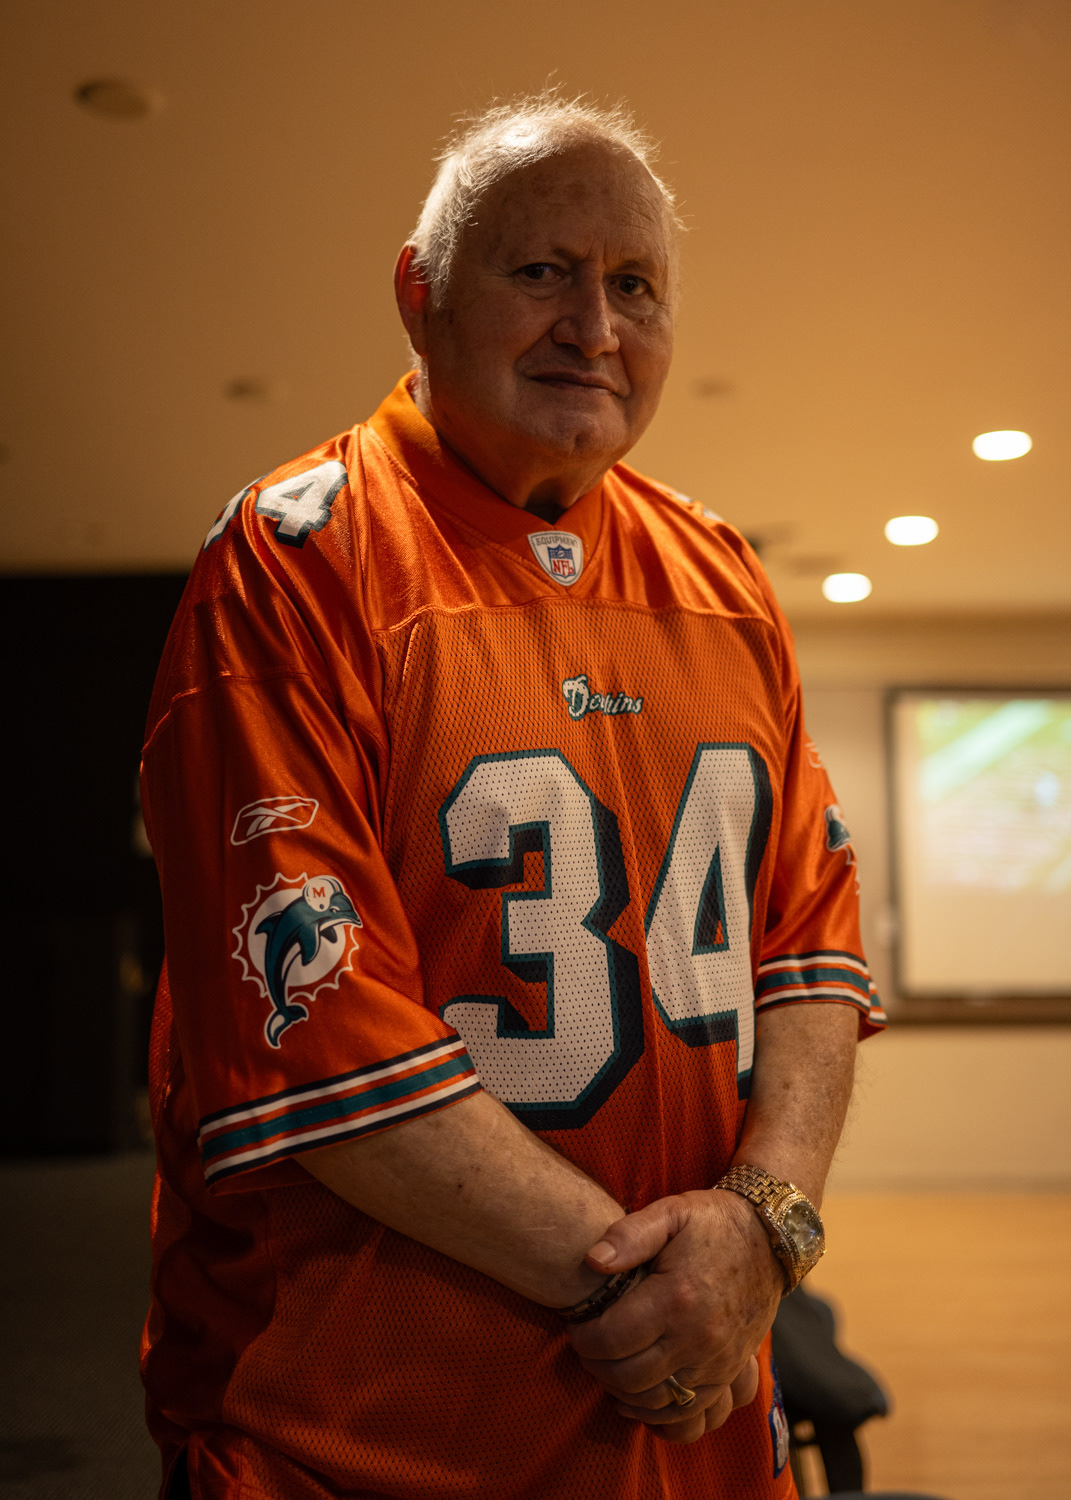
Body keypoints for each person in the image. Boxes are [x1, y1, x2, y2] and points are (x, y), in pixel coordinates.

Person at [140, 93, 885, 1500]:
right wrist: (659, 1292)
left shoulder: (724, 576)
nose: (593, 327)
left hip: (687, 1419)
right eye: (542, 270)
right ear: (419, 297)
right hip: (364, 1437)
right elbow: (318, 1028)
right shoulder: (297, 562)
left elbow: (808, 948)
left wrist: (761, 1227)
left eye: (635, 286)